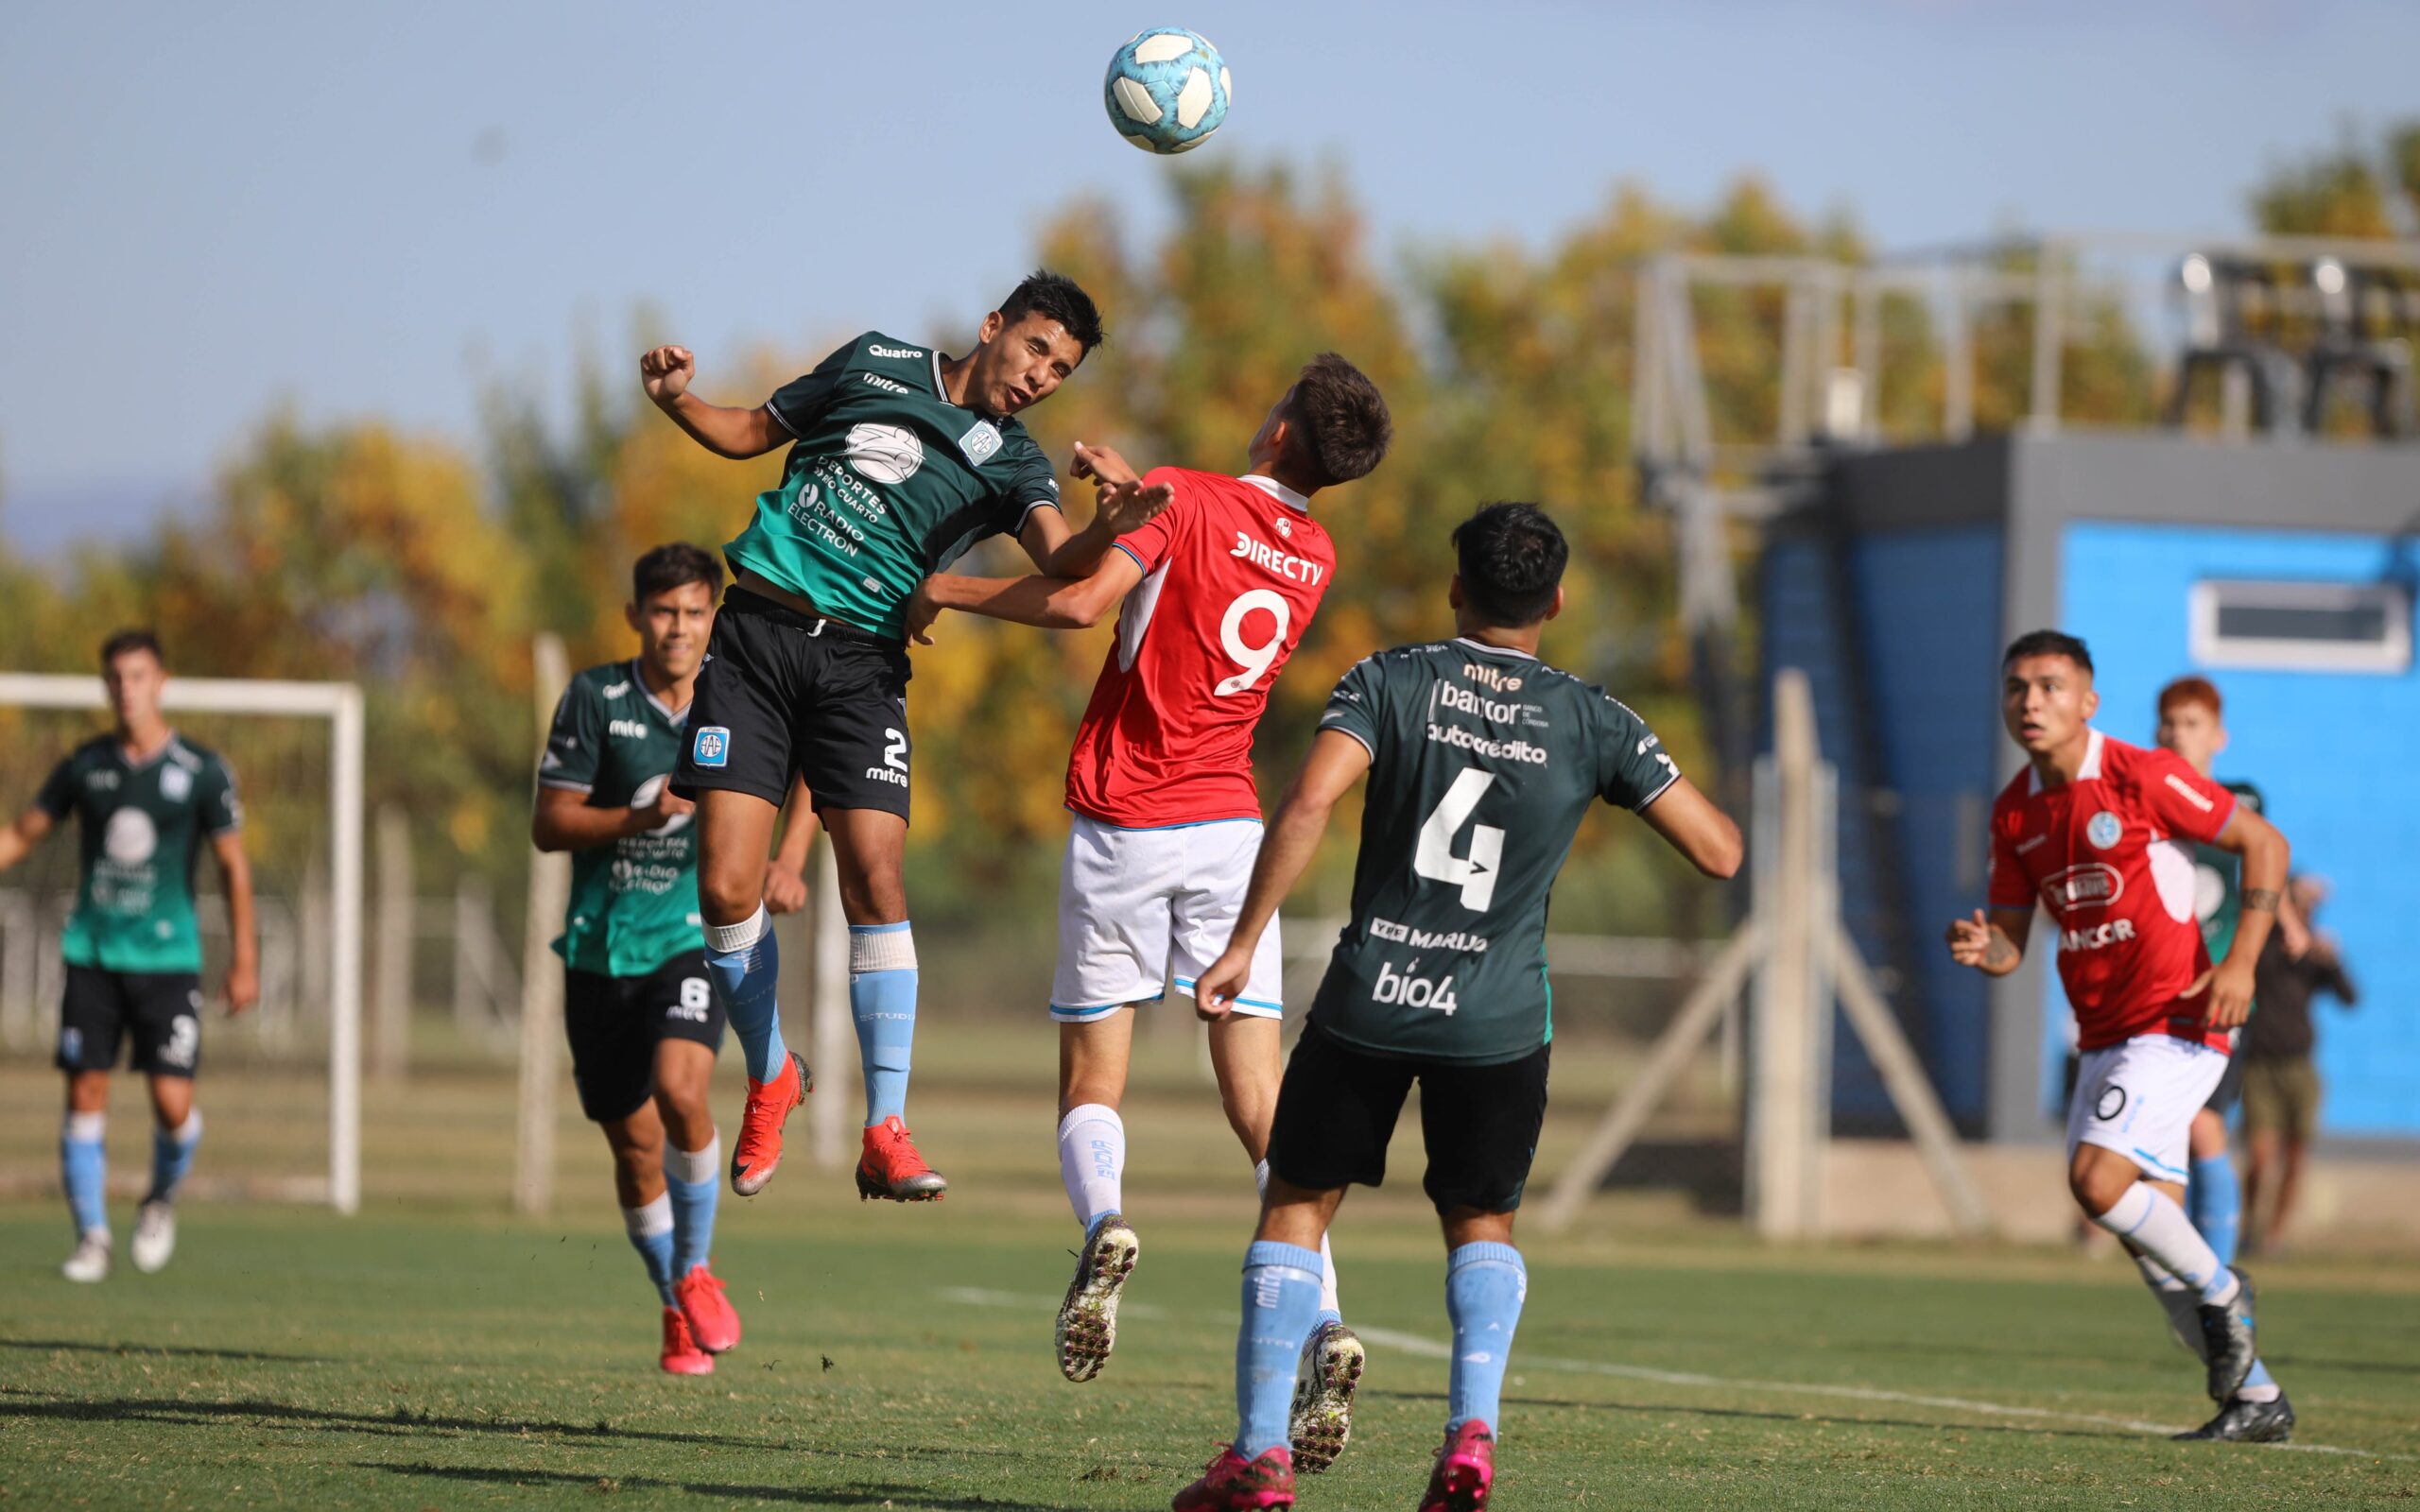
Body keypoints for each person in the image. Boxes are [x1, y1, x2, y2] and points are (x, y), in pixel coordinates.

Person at [1173, 504, 1742, 1512]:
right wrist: (1618, 767)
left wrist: (1241, 943)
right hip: (1496, 1020)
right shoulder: (1592, 716)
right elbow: (1719, 851)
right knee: (1481, 1222)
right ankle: (1468, 1441)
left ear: (1454, 588)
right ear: (1556, 600)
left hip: (1369, 1001)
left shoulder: (1387, 680)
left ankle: (1261, 1458)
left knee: (1297, 1206)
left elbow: (1307, 802)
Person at [910, 353, 1392, 1469]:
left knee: (1094, 1081)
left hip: (1128, 819)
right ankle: (1323, 1313)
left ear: (1277, 427)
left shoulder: (1184, 495)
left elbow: (1084, 603)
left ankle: (1105, 1226)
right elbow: (1202, 558)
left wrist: (949, 587)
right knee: (1266, 1111)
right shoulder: (1313, 549)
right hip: (1232, 831)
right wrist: (1139, 504)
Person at [640, 271, 1153, 1206]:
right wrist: (678, 401)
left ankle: (884, 1127)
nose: (1042, 375)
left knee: (875, 874)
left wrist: (1106, 527)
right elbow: (750, 430)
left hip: (861, 669)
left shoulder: (1014, 460)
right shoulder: (874, 359)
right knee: (724, 885)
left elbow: (1061, 558)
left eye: (1061, 370)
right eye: (1037, 349)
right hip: (755, 639)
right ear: (995, 326)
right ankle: (770, 1073)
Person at [1947, 631, 2294, 1443]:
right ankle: (2258, 1401)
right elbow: (2010, 944)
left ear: (2088, 701)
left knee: (2097, 1181)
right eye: (2016, 689)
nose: (2030, 702)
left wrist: (2240, 963)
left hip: (2176, 1019)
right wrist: (1982, 949)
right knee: (2149, 1242)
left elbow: (2265, 844)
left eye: (2050, 686)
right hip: (2103, 1034)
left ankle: (2224, 1293)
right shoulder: (2014, 811)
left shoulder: (2141, 774)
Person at [533, 544, 811, 1374]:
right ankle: (673, 1300)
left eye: (695, 612)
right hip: (598, 948)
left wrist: (788, 860)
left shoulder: (738, 694)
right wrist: (636, 817)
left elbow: (809, 767)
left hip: (690, 940)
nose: (681, 628)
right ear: (636, 617)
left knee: (684, 1091)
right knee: (633, 1148)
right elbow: (549, 824)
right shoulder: (596, 698)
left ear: (711, 617)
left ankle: (696, 1271)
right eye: (664, 612)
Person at [0, 629, 258, 1281]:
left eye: (137, 676)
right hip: (93, 953)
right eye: (115, 678)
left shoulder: (201, 771)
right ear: (105, 686)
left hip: (168, 962)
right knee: (86, 1088)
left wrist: (245, 956)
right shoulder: (87, 766)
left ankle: (160, 1197)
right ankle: (92, 1237)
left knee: (173, 1104)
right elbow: (22, 834)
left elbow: (232, 865)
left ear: (161, 682)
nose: (126, 689)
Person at [2152, 676, 2295, 1270]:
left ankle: (2216, 1276)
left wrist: (2287, 919)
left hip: (2220, 992)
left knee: (2204, 1125)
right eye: (2171, 723)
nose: (2179, 734)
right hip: (2158, 990)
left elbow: (2264, 855)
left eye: (2192, 724)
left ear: (2217, 735)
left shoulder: (2239, 801)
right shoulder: (2142, 796)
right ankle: (2185, 1264)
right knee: (2160, 1141)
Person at [2241, 875, 2357, 1254]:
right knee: (2260, 1157)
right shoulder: (2264, 945)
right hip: (2260, 1065)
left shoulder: (2313, 953)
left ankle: (2275, 1235)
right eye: (2300, 902)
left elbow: (2349, 998)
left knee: (2295, 1157)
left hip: (2300, 1067)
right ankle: (2247, 1226)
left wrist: (2334, 960)